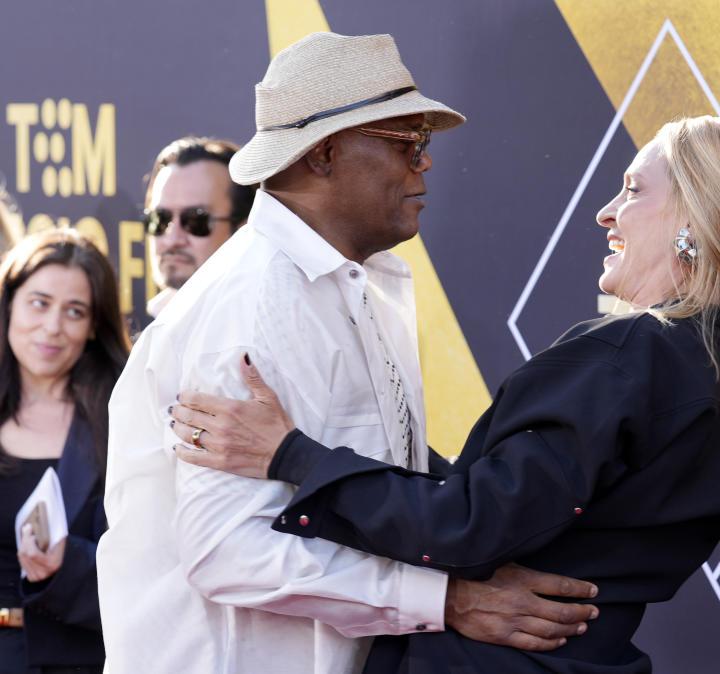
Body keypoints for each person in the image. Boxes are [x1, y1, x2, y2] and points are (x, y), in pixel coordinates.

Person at [171, 114, 720, 673]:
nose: (608, 212)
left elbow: (468, 523)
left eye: (635, 190)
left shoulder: (634, 353)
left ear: (696, 219)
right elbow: (525, 506)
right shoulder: (703, 372)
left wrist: (293, 455)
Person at [97, 32, 597, 674]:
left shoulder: (358, 281)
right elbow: (227, 550)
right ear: (325, 153)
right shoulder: (252, 303)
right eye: (408, 142)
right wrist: (450, 600)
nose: (426, 163)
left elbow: (374, 484)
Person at [0, 229, 129, 673]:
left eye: (74, 312)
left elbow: (151, 565)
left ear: (94, 325)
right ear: (9, 302)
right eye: (39, 303)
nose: (52, 327)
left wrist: (67, 563)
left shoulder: (125, 419)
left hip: (81, 660)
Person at [142, 136, 256, 316]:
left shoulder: (263, 328)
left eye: (196, 221)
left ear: (243, 229)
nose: (173, 239)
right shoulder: (159, 319)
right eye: (160, 219)